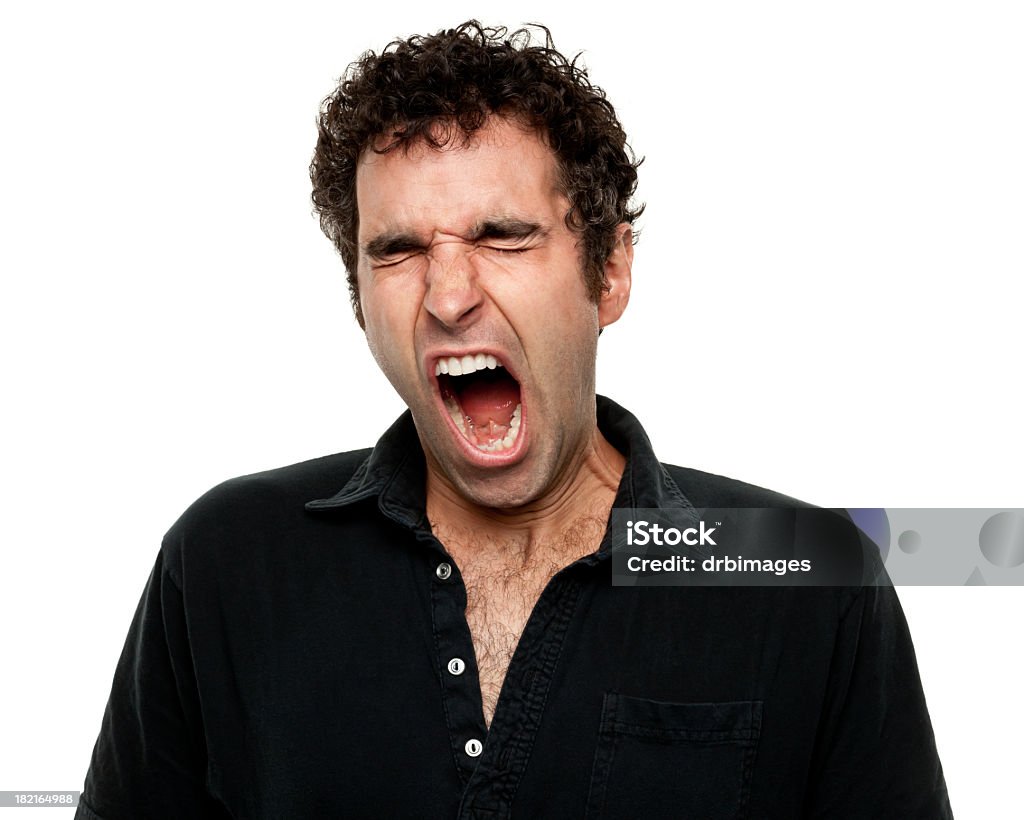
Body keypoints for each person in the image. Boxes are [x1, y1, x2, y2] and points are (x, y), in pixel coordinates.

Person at [77, 21, 952, 819]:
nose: (450, 294)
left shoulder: (809, 580)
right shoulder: (228, 561)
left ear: (608, 273)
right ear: (360, 300)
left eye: (502, 235)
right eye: (400, 250)